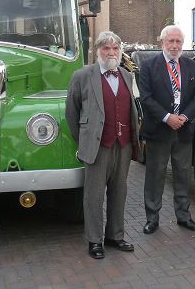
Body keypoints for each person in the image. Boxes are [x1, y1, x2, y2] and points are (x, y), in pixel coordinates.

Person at [65, 31, 139, 260]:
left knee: (119, 192)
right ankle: (94, 240)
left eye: (115, 48)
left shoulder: (127, 75)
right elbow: (71, 112)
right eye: (106, 48)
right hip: (97, 146)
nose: (111, 52)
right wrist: (84, 140)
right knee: (94, 195)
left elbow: (132, 108)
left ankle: (115, 235)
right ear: (97, 51)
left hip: (123, 144)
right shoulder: (82, 76)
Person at [139, 25, 195, 235]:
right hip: (159, 131)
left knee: (182, 174)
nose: (175, 46)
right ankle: (152, 219)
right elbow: (146, 98)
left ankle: (183, 216)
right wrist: (167, 118)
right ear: (162, 43)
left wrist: (184, 117)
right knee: (155, 175)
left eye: (178, 42)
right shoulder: (149, 66)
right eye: (171, 41)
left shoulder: (191, 66)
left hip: (183, 130)